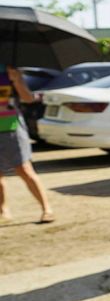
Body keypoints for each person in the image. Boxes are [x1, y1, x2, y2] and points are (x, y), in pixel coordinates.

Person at [0, 65, 55, 223]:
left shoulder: (8, 71)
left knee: (24, 169)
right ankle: (3, 210)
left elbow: (28, 98)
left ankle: (46, 209)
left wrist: (16, 80)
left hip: (11, 128)